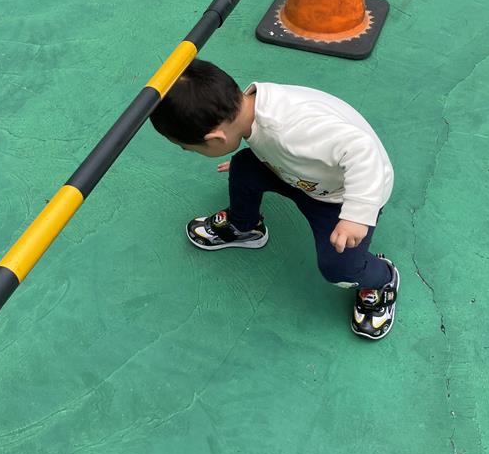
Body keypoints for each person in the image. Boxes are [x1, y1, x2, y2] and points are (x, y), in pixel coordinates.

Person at [150, 59, 399, 340]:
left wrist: (357, 215)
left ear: (217, 138)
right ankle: (245, 226)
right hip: (303, 174)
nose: (190, 151)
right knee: (244, 166)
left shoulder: (292, 132)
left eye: (190, 148)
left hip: (341, 196)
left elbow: (363, 151)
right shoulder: (249, 105)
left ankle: (381, 279)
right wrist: (267, 157)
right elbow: (279, 144)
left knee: (339, 268)